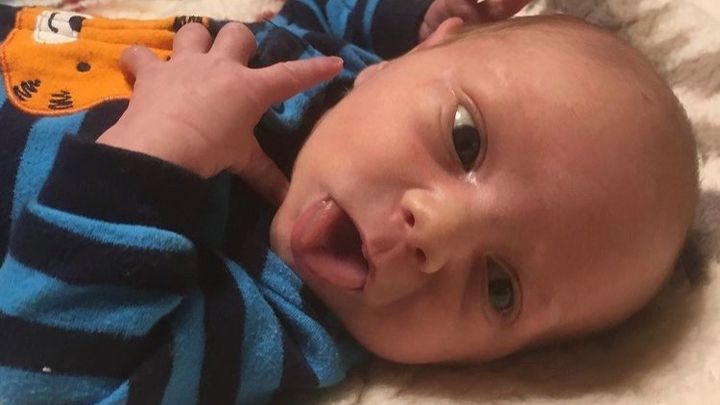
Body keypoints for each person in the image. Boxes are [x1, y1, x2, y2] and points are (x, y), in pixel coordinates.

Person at [0, 0, 698, 403]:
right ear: (411, 62)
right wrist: (413, 13)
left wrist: (156, 153)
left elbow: (42, 379)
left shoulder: (272, 325)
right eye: (464, 138)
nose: (438, 230)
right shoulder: (342, 67)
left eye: (499, 287)